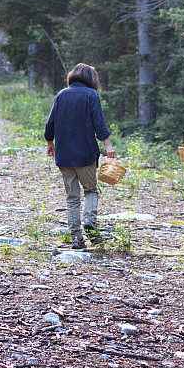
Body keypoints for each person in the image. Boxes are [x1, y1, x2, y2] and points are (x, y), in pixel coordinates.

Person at [45, 63, 116, 249]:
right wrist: (108, 145)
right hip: (85, 154)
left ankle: (77, 238)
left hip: (64, 155)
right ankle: (90, 222)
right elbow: (98, 123)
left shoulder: (61, 94)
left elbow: (50, 122)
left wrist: (50, 142)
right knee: (91, 190)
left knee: (72, 198)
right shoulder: (91, 95)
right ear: (91, 79)